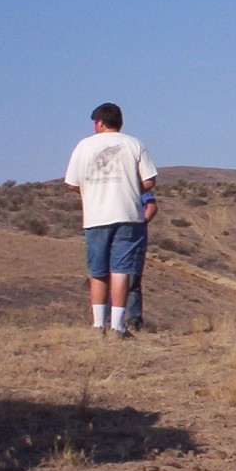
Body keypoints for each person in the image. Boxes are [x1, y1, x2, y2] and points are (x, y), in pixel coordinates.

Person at [65, 102, 157, 339]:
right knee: (121, 270)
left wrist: (94, 189)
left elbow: (72, 183)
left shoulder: (83, 146)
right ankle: (118, 326)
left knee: (98, 271)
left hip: (96, 217)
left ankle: (98, 325)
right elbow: (149, 180)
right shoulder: (134, 143)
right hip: (128, 215)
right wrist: (127, 186)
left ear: (99, 123)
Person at [126, 191, 158, 331]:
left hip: (133, 240)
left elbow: (151, 207)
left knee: (132, 282)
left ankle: (133, 322)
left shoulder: (137, 184)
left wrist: (138, 228)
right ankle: (109, 322)